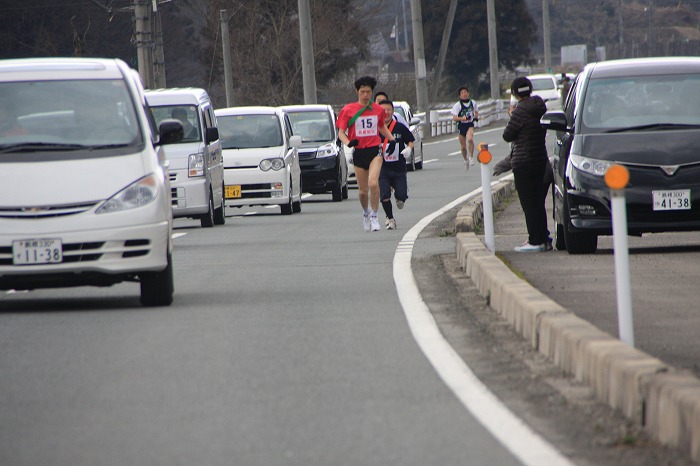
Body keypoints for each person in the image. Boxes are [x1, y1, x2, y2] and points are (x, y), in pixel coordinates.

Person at [337, 76, 397, 232]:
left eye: (368, 92)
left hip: (374, 150)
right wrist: (349, 142)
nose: (365, 95)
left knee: (373, 183)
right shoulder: (348, 110)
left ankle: (375, 216)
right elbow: (341, 133)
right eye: (362, 92)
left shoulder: (378, 110)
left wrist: (391, 139)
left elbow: (382, 127)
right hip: (359, 151)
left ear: (372, 92)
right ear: (357, 92)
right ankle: (366, 212)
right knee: (363, 191)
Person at [503, 76, 551, 252]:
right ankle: (544, 240)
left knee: (529, 204)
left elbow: (508, 135)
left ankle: (535, 241)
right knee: (538, 203)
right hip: (540, 160)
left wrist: (511, 115)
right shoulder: (540, 107)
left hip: (523, 163)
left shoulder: (519, 111)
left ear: (515, 93)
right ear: (530, 89)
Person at [377, 99, 414, 230]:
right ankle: (391, 219)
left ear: (393, 111)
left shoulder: (399, 127)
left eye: (388, 110)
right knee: (384, 195)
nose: (386, 113)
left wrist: (409, 149)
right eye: (382, 110)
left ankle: (400, 195)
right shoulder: (375, 129)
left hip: (399, 168)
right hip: (382, 168)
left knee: (401, 197)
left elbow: (411, 140)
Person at [450, 86, 479, 169]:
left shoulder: (473, 103)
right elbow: (454, 118)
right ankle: (465, 159)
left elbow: (476, 111)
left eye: (465, 92)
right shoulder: (457, 105)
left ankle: (471, 157)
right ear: (460, 96)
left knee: (470, 139)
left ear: (468, 93)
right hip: (461, 125)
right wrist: (462, 118)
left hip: (470, 124)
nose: (464, 94)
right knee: (463, 147)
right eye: (462, 93)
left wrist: (476, 118)